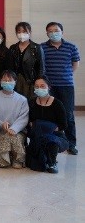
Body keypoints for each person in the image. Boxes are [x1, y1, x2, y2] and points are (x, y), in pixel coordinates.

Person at [41, 22, 80, 155]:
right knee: (50, 115)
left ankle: (71, 144)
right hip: (49, 87)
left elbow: (75, 64)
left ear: (62, 32)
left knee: (68, 115)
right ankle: (52, 142)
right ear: (47, 33)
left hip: (66, 86)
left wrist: (66, 75)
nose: (54, 33)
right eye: (50, 31)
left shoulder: (71, 47)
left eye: (56, 30)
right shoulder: (42, 47)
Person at [27, 78, 69, 173]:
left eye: (42, 86)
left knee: (50, 139)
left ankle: (52, 163)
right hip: (37, 135)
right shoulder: (32, 102)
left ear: (49, 87)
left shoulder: (57, 103)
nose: (39, 89)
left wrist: (47, 128)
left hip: (55, 135)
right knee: (32, 163)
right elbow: (29, 121)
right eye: (37, 86)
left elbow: (63, 125)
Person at [0, 70, 29, 168]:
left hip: (17, 131)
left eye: (10, 80)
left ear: (15, 82)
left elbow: (24, 118)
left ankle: (17, 159)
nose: (7, 82)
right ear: (0, 81)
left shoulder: (22, 99)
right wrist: (1, 124)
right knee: (2, 138)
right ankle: (3, 160)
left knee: (13, 137)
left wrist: (14, 128)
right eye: (5, 80)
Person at [6, 21, 45, 99]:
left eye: (24, 31)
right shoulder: (13, 48)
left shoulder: (36, 48)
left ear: (29, 32)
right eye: (19, 32)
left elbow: (41, 67)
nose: (21, 34)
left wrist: (39, 82)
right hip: (16, 81)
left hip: (31, 81)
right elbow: (10, 66)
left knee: (30, 102)